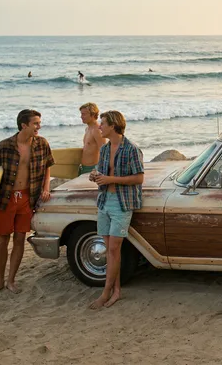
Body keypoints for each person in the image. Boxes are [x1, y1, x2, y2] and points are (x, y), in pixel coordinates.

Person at [0, 109, 54, 295]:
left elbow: (47, 168)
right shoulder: (4, 146)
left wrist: (46, 189)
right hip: (6, 199)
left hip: (27, 198)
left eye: (39, 123)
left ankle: (11, 280)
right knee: (2, 240)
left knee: (20, 239)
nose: (39, 126)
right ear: (24, 125)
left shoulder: (42, 144)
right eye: (36, 123)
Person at [88, 111, 144, 309]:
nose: (99, 127)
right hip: (104, 201)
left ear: (113, 126)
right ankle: (117, 291)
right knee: (111, 251)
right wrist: (95, 175)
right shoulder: (104, 149)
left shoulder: (131, 149)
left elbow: (139, 178)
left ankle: (105, 293)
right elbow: (101, 172)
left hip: (122, 203)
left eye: (102, 123)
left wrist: (111, 179)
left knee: (113, 249)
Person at [79, 103, 107, 176]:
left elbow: (104, 152)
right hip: (83, 168)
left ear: (93, 114)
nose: (81, 117)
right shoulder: (87, 129)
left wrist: (98, 170)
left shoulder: (97, 130)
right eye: (81, 114)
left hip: (92, 169)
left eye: (84, 114)